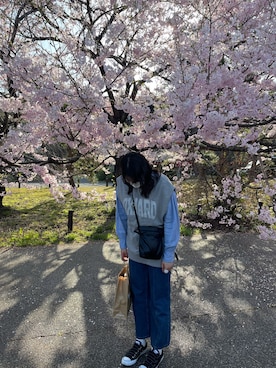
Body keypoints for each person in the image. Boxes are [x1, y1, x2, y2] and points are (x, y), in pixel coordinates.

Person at [115, 152, 180, 368]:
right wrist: (123, 243)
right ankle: (140, 340)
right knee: (139, 298)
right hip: (135, 252)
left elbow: (172, 221)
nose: (127, 181)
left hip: (159, 254)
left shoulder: (163, 186)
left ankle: (158, 348)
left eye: (131, 177)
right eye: (125, 176)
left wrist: (169, 255)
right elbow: (121, 215)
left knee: (159, 302)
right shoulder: (122, 185)